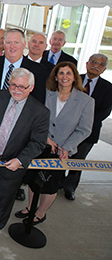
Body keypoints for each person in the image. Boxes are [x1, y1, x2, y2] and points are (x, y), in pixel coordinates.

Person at [0, 68, 49, 242]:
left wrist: (20, 160)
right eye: (13, 85)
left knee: (4, 197)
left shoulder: (40, 112)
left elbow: (38, 142)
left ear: (31, 88)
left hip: (12, 163)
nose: (17, 89)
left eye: (22, 86)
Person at [16, 62, 93, 225]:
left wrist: (66, 147)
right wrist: (45, 138)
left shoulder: (86, 101)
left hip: (61, 150)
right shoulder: (46, 94)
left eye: (68, 73)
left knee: (50, 184)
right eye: (61, 73)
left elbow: (84, 130)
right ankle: (30, 207)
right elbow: (35, 117)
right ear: (56, 77)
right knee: (32, 179)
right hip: (40, 144)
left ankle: (40, 212)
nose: (64, 77)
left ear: (74, 77)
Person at [62, 54, 112, 200]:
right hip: (66, 128)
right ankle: (57, 181)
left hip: (88, 132)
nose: (96, 66)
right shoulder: (72, 79)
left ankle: (69, 187)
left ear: (104, 69)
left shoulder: (108, 88)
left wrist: (82, 122)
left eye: (100, 64)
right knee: (61, 157)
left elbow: (104, 111)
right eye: (94, 62)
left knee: (78, 160)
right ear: (87, 63)